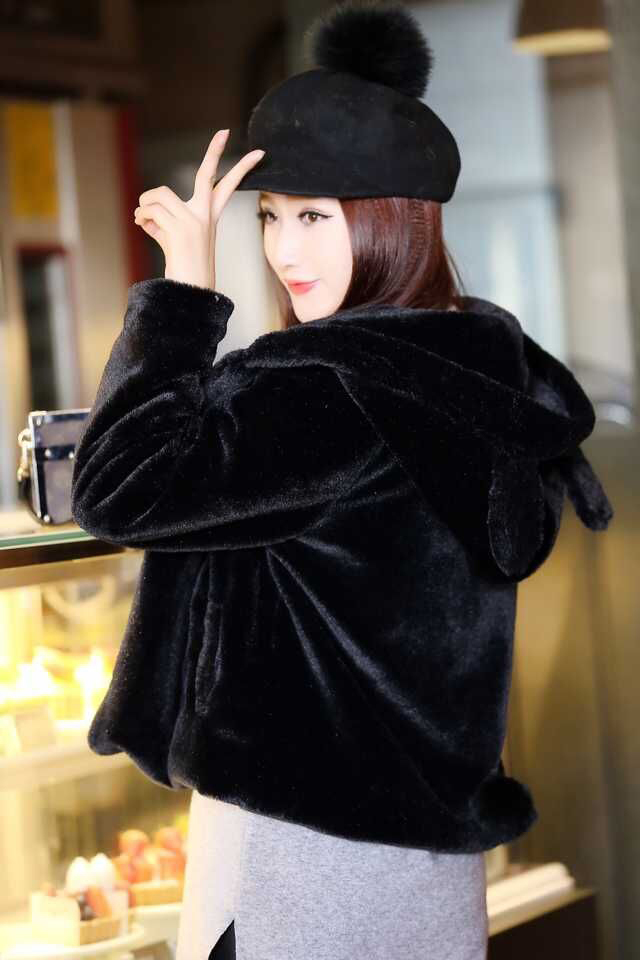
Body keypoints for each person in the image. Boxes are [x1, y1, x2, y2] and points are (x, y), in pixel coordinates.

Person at [70, 2, 614, 959]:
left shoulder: (325, 389)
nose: (285, 251)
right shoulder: (475, 367)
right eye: (271, 217)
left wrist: (182, 297)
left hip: (297, 856)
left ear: (393, 220)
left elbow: (117, 487)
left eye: (315, 217)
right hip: (426, 867)